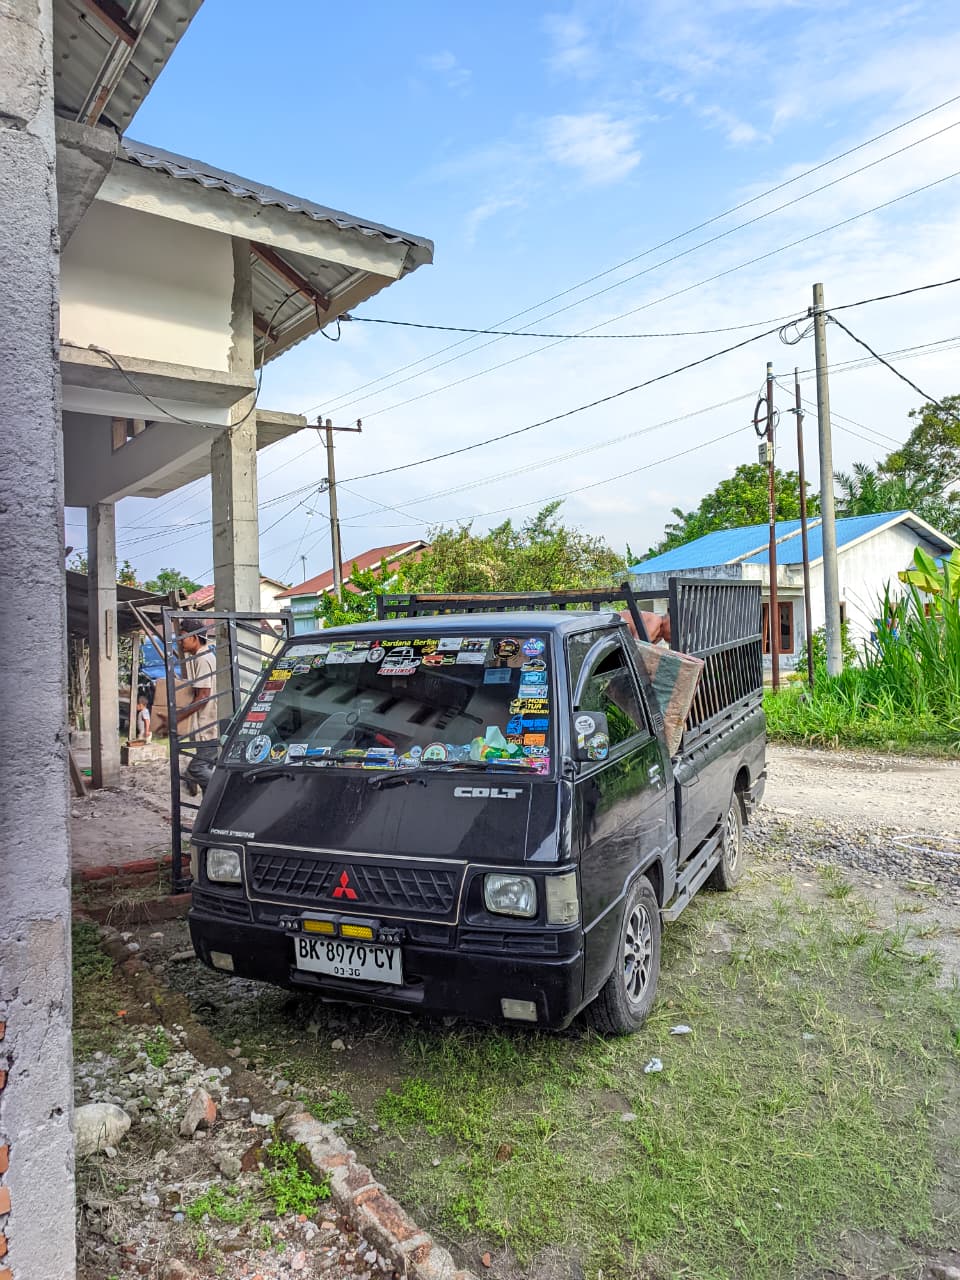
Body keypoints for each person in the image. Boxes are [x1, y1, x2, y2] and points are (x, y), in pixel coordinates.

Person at [177, 617, 218, 794]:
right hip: (205, 726)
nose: (180, 641)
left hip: (207, 728)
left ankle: (221, 793)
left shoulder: (202, 659)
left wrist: (179, 716)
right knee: (202, 772)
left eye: (183, 637)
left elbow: (203, 695)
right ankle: (207, 815)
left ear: (194, 637)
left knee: (197, 769)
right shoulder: (200, 657)